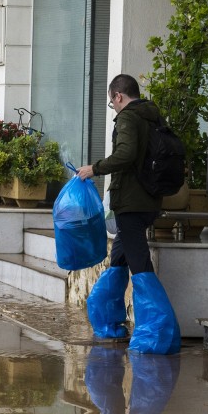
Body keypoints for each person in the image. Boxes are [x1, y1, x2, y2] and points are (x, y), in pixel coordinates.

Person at [76, 73, 181, 355]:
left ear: (118, 96)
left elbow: (125, 154)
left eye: (112, 102)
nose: (114, 107)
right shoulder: (153, 116)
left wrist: (93, 168)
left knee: (140, 265)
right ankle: (109, 323)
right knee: (119, 259)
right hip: (148, 201)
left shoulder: (128, 118)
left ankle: (158, 335)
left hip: (131, 204)